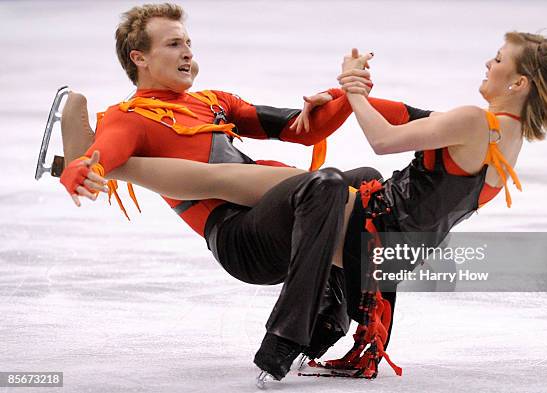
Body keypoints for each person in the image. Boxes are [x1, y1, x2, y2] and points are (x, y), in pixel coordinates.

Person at [56, 3, 419, 383]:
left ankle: (337, 323)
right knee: (324, 185)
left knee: (365, 182)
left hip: (278, 211)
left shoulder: (213, 102)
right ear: (139, 57)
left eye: (189, 43)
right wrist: (87, 168)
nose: (188, 52)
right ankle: (283, 337)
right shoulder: (130, 116)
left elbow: (302, 129)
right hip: (239, 238)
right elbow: (106, 151)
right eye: (174, 44)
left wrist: (352, 94)